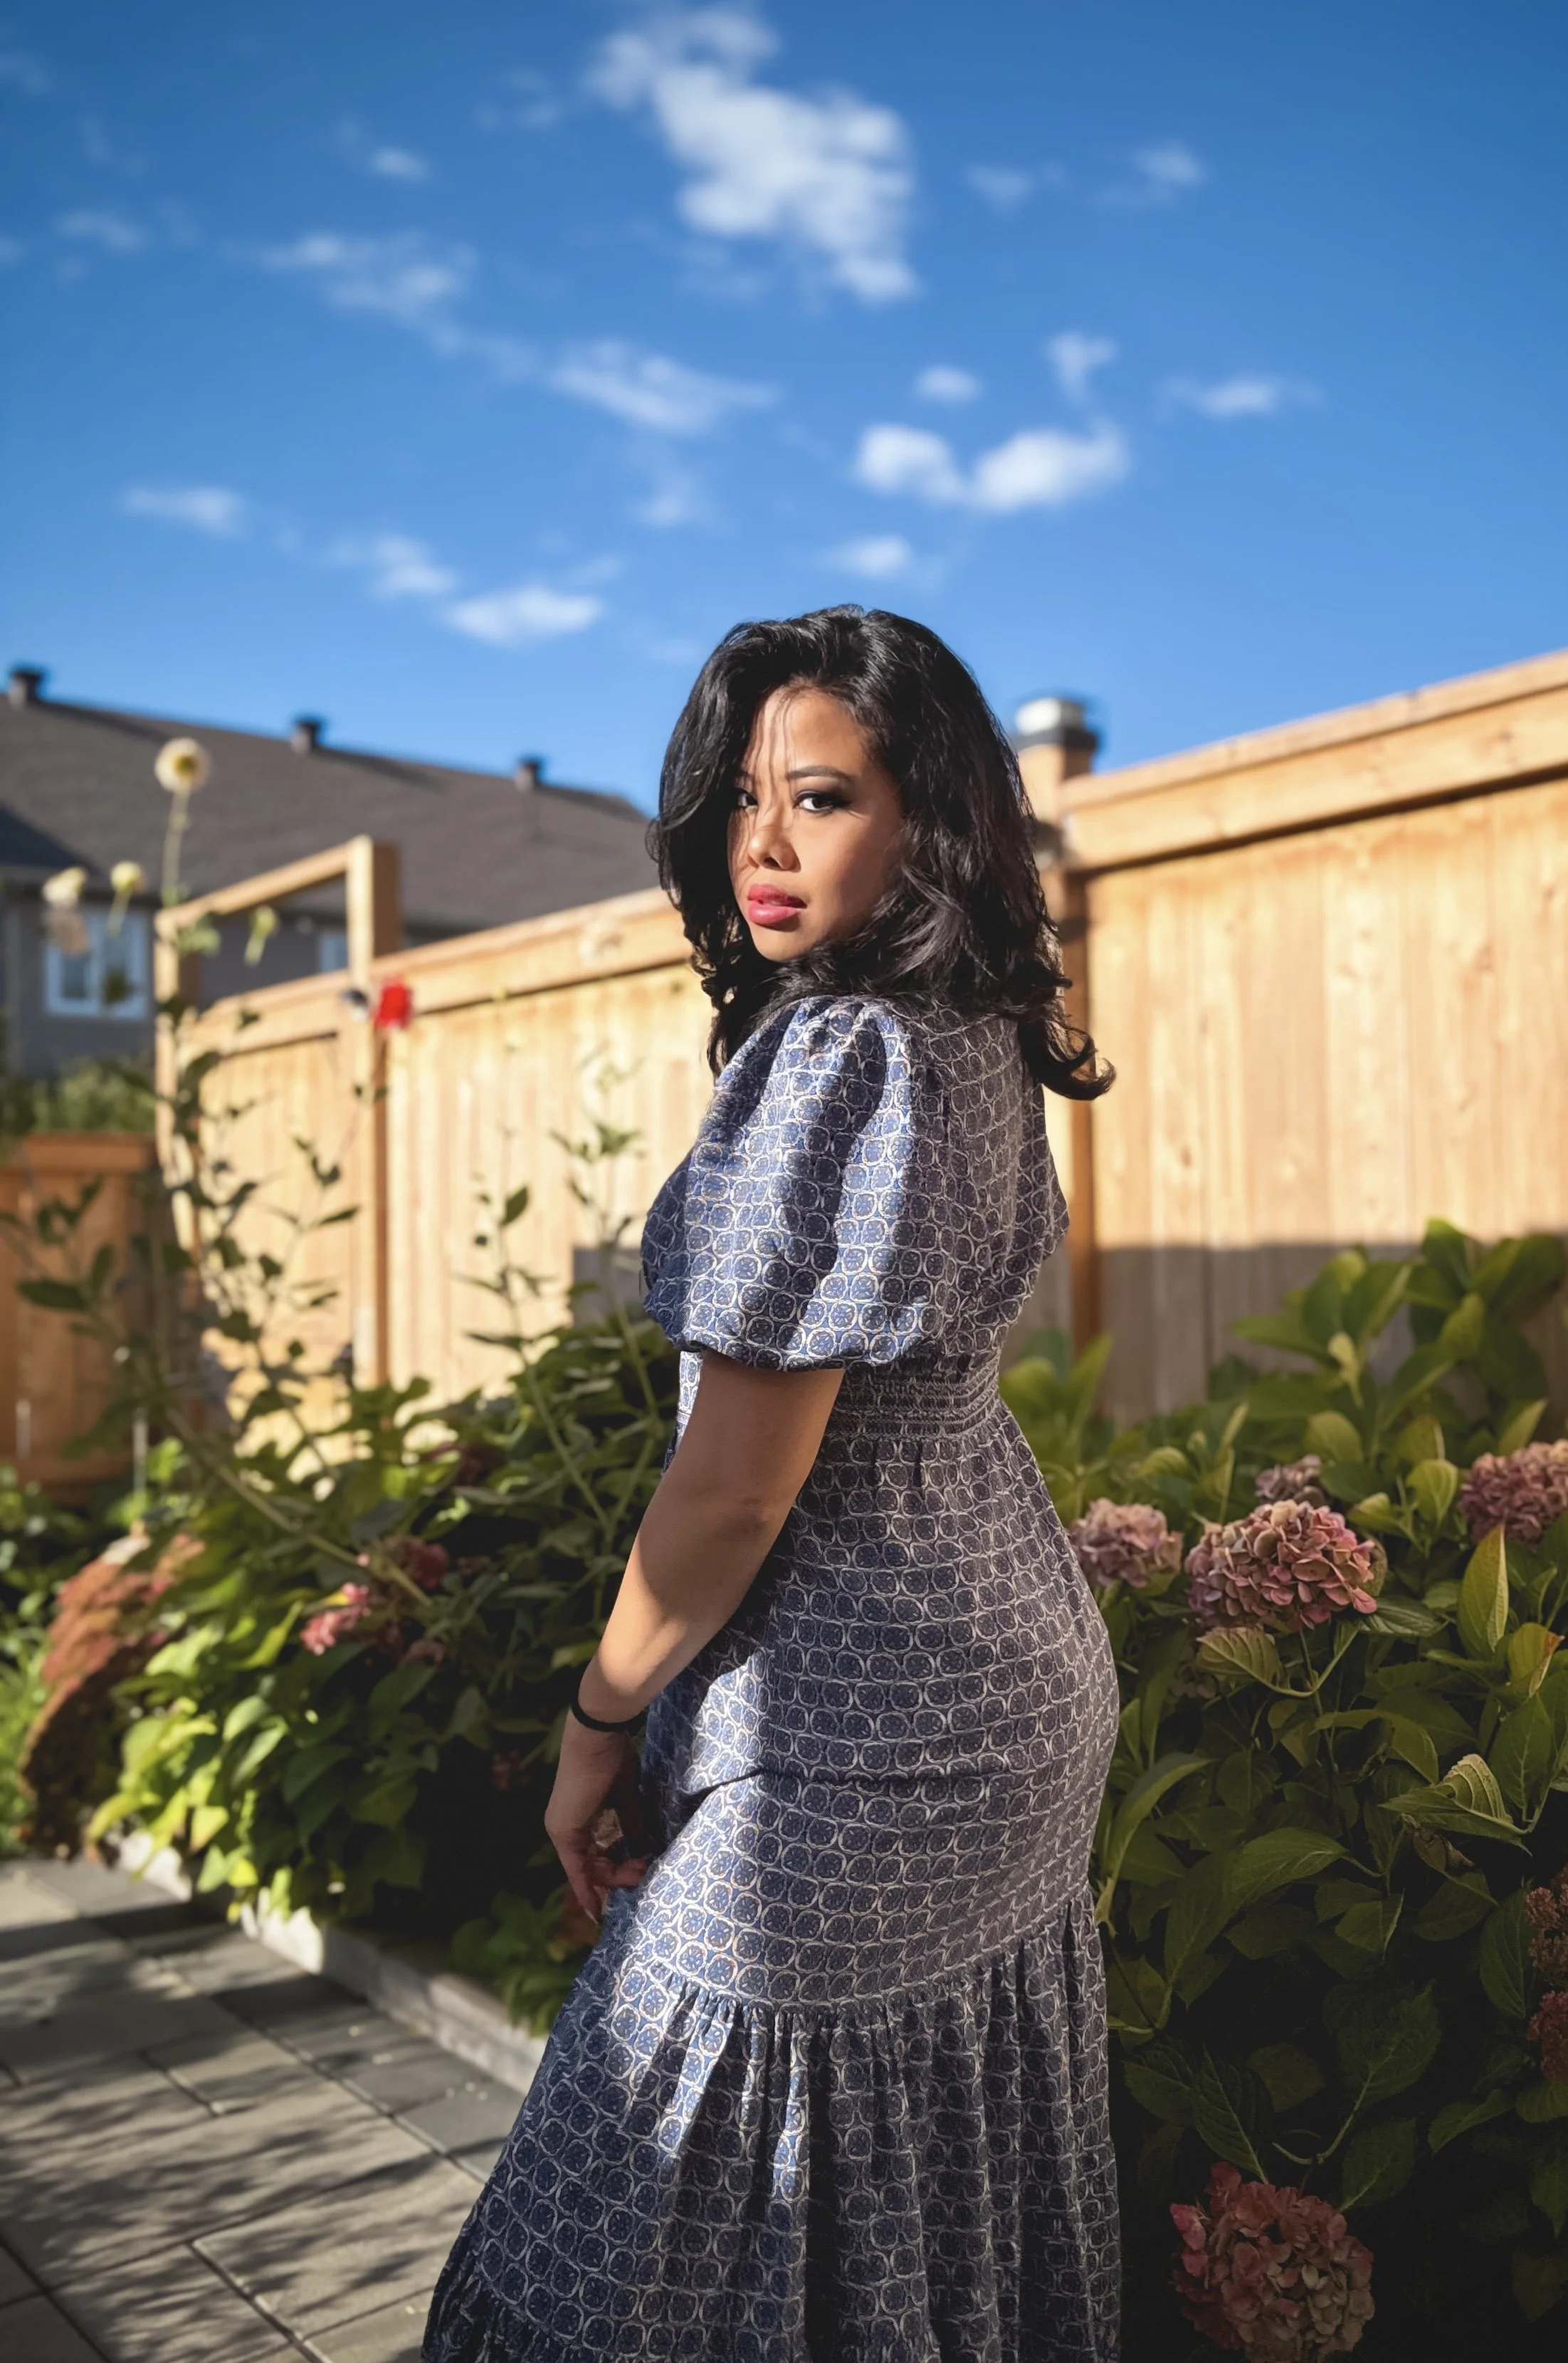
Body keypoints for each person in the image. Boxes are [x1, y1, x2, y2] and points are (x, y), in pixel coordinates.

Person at [424, 606, 1121, 2362]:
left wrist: (595, 1726)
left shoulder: (839, 1057)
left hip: (859, 1753)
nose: (764, 842)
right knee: (909, 2218)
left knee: (611, 2243)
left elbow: (731, 1497)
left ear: (929, 820)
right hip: (1009, 1703)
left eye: (820, 797)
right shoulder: (972, 1034)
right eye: (745, 797)